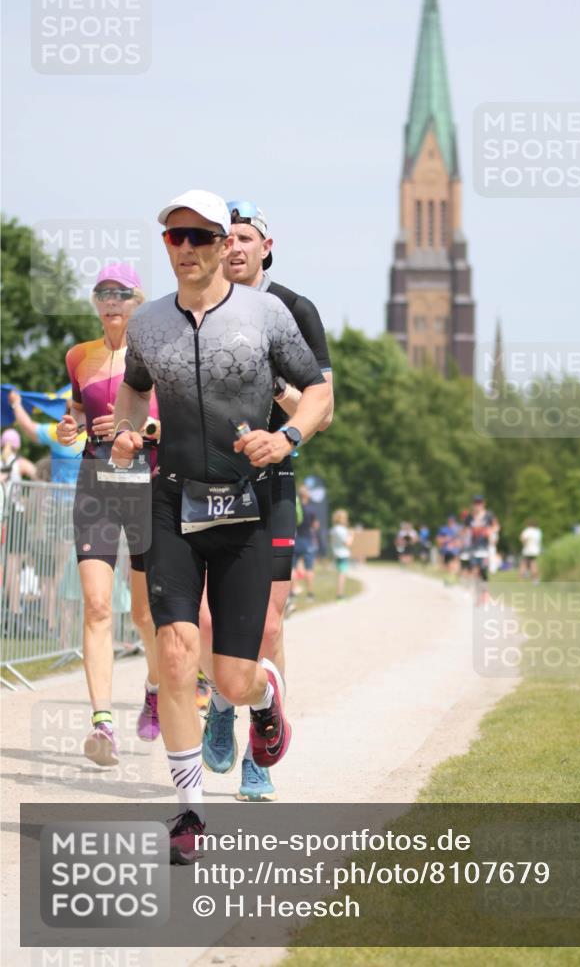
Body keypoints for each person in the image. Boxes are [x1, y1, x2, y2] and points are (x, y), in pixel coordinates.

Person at [110, 190, 330, 862]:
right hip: (174, 501)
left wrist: (286, 437)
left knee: (232, 678)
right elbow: (136, 387)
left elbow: (320, 392)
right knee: (176, 652)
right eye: (174, 238)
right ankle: (188, 810)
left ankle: (263, 701)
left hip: (246, 504)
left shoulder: (268, 315)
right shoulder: (148, 325)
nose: (189, 249)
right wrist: (124, 430)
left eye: (201, 237)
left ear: (219, 244)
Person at [199, 200, 333, 803]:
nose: (233, 245)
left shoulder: (293, 310)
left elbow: (320, 405)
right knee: (205, 619)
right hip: (203, 486)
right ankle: (222, 702)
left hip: (270, 483)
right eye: (225, 237)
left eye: (244, 236)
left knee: (269, 624)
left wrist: (271, 399)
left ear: (265, 246)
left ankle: (260, 753)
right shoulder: (196, 307)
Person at [56, 264, 161, 764]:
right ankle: (102, 724)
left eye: (121, 293)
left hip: (146, 485)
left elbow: (174, 416)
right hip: (95, 483)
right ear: (96, 304)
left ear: (137, 301)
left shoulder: (157, 352)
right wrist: (70, 427)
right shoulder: (79, 355)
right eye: (103, 293)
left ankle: (156, 689)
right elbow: (76, 411)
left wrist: (142, 427)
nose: (112, 301)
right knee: (98, 605)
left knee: (144, 615)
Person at [8, 391, 85, 484]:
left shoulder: (58, 433)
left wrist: (16, 403)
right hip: (85, 496)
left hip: (58, 496)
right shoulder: (96, 434)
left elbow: (28, 426)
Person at [1, 428, 37, 626]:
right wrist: (28, 498)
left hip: (3, 515)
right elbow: (39, 475)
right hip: (15, 515)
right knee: (14, 566)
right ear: (17, 445)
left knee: (8, 565)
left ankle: (11, 607)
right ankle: (15, 609)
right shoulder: (19, 463)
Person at [462, 496, 499, 605]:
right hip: (473, 548)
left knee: (483, 571)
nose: (477, 505)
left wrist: (490, 531)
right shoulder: (470, 517)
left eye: (479, 503)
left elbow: (496, 526)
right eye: (475, 503)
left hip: (485, 548)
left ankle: (485, 593)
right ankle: (478, 594)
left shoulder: (489, 516)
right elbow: (464, 530)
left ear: (483, 504)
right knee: (474, 571)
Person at [293, 484, 320, 601]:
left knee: (292, 567)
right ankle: (310, 594)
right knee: (309, 568)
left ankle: (294, 590)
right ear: (307, 495)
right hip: (308, 540)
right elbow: (315, 525)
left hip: (295, 540)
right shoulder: (311, 509)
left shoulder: (295, 507)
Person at [330, 509, 353, 599]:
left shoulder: (333, 529)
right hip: (343, 554)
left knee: (340, 574)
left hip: (336, 553)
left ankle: (340, 593)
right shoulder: (341, 530)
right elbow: (348, 543)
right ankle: (340, 594)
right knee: (342, 575)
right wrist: (351, 535)